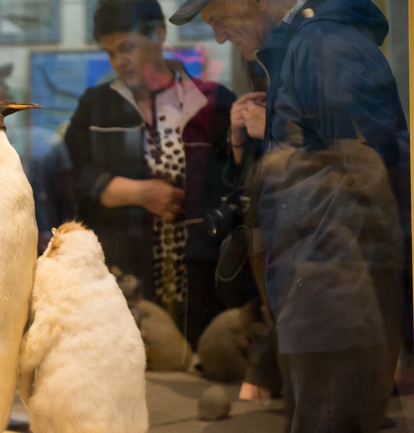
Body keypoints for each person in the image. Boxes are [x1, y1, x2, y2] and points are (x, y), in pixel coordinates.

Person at [170, 0, 410, 431]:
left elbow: (381, 177)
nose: (220, 35)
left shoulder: (323, 48)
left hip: (339, 302)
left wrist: (399, 325)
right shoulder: (304, 48)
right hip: (323, 301)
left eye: (218, 18)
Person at [65, 0, 237, 348]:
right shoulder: (95, 105)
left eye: (126, 47)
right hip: (126, 270)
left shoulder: (213, 102)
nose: (119, 61)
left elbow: (239, 183)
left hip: (203, 273)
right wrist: (139, 192)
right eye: (110, 52)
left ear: (158, 34)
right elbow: (73, 173)